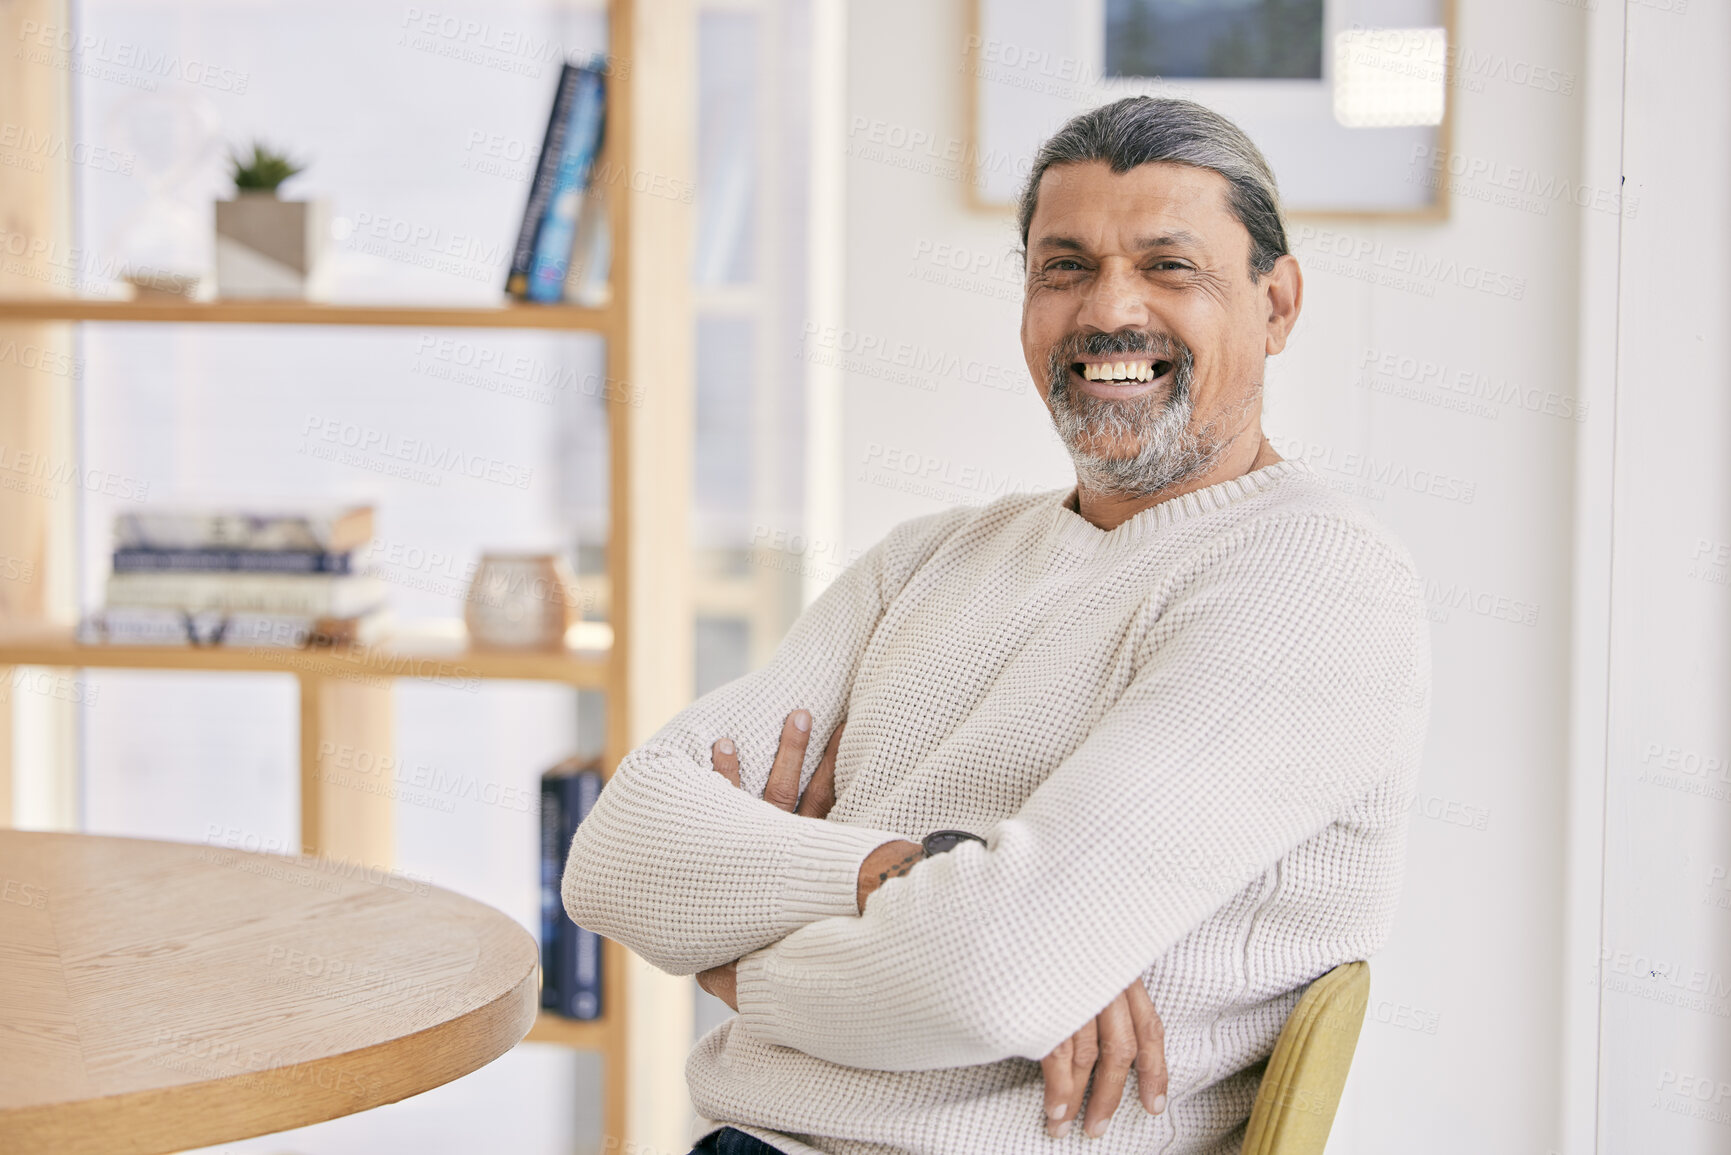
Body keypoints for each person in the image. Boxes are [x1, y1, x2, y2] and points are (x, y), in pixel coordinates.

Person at [564, 96, 1430, 1155]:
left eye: (1170, 266)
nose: (1110, 309)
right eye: (1064, 266)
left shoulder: (1316, 583)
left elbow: (990, 972)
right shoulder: (923, 560)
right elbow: (615, 855)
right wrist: (892, 871)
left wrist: (740, 967)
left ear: (1277, 304)